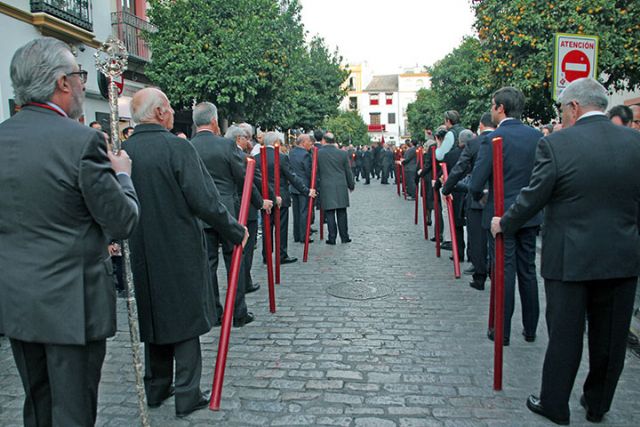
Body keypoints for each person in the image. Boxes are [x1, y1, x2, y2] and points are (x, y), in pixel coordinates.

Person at [0, 37, 139, 426]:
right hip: (71, 304)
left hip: (17, 300)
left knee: (38, 405)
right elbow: (122, 221)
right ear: (62, 83)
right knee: (73, 411)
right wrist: (124, 177)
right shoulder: (81, 141)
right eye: (79, 75)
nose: (83, 83)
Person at [491, 77, 640, 425]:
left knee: (565, 335)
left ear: (574, 107)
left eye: (562, 109)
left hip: (569, 258)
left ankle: (554, 403)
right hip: (621, 256)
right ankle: (597, 403)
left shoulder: (558, 145)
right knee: (611, 339)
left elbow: (533, 196)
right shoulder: (635, 142)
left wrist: (505, 223)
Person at [123, 88, 248, 418]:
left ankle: (157, 386)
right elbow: (205, 200)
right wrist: (235, 231)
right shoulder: (175, 147)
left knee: (155, 317)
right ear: (163, 112)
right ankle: (187, 393)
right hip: (177, 246)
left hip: (141, 248)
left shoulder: (125, 150)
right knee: (185, 320)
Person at [470, 86, 543, 346]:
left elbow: (476, 181)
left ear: (500, 108)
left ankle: (502, 329)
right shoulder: (537, 137)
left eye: (493, 105)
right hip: (530, 213)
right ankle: (531, 328)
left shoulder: (493, 139)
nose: (492, 110)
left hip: (501, 214)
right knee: (528, 270)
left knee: (504, 270)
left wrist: (480, 196)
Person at [191, 103, 255, 327]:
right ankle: (237, 312)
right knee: (234, 261)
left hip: (201, 213)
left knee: (208, 264)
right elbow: (243, 177)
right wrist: (258, 201)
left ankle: (214, 311)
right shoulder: (226, 145)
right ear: (215, 121)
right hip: (227, 209)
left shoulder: (189, 147)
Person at [443, 112, 495, 290]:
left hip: (477, 197)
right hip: (500, 198)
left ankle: (480, 276)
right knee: (496, 240)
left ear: (481, 126)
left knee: (478, 239)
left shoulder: (474, 144)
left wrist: (446, 188)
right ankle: (495, 272)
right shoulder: (502, 139)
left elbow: (459, 169)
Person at [255, 131, 315, 264]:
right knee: (281, 227)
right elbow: (292, 177)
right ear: (276, 142)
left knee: (267, 227)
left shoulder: (257, 157)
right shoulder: (281, 157)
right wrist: (306, 191)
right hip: (280, 196)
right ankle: (281, 254)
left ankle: (266, 255)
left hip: (264, 197)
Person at [236, 123, 274, 294]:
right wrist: (265, 201)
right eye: (248, 138)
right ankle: (244, 282)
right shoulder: (244, 158)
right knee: (247, 249)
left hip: (228, 208)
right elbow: (254, 182)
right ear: (240, 138)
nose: (250, 141)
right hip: (247, 208)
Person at [317, 132, 355, 244]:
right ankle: (345, 237)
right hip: (340, 185)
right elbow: (348, 171)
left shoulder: (319, 153)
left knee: (329, 213)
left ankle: (332, 237)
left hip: (326, 185)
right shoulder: (342, 154)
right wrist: (351, 184)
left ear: (324, 140)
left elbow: (316, 171)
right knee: (342, 212)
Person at [289, 133, 314, 243]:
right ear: (303, 143)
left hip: (294, 186)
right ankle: (304, 236)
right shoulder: (306, 154)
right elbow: (309, 171)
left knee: (296, 212)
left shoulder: (292, 152)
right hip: (304, 185)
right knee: (304, 211)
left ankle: (297, 234)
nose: (311, 144)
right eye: (309, 142)